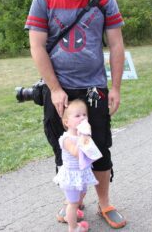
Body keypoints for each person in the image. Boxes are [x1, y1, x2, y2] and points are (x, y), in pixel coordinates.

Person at [25, 0, 126, 229]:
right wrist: (55, 89)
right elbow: (37, 47)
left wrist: (115, 87)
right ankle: (74, 200)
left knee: (99, 148)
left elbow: (116, 45)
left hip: (94, 87)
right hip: (60, 90)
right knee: (64, 147)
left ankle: (105, 204)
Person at [54, 99, 100, 232]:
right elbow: (76, 152)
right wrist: (83, 136)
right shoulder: (67, 139)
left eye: (84, 115)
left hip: (82, 172)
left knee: (82, 193)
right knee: (72, 203)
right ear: (67, 122)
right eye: (77, 116)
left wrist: (85, 137)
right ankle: (73, 227)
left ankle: (73, 214)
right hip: (72, 175)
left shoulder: (83, 135)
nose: (82, 118)